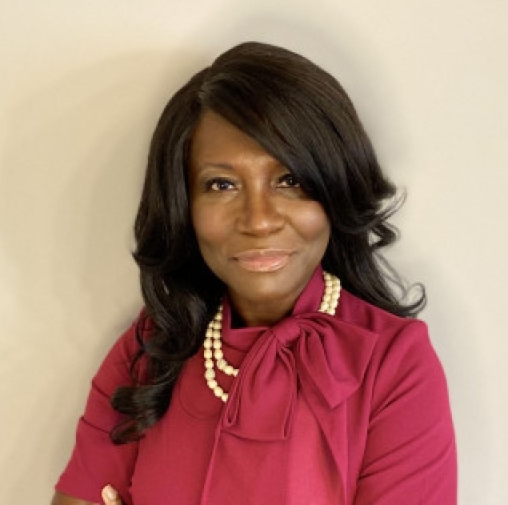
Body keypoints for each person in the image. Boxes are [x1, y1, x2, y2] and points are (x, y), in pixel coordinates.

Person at [51, 42, 457, 505]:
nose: (259, 220)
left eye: (290, 180)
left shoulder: (395, 364)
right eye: (221, 184)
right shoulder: (150, 348)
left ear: (335, 188)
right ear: (184, 204)